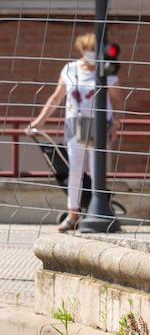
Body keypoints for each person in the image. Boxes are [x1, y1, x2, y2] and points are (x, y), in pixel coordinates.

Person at [26, 33, 125, 232]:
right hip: (75, 125)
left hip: (99, 124)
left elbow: (117, 100)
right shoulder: (70, 69)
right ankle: (73, 214)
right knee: (75, 171)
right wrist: (38, 122)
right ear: (81, 50)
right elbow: (56, 98)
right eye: (87, 50)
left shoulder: (106, 70)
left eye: (94, 51)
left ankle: (99, 211)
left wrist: (116, 123)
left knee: (98, 171)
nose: (90, 54)